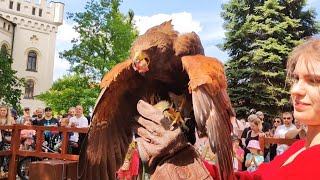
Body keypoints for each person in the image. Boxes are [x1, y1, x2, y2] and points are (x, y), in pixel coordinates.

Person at [133, 38, 320, 179]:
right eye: (296, 79)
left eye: (314, 81)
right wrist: (182, 159)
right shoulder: (297, 149)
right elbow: (253, 178)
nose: (295, 90)